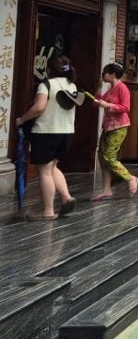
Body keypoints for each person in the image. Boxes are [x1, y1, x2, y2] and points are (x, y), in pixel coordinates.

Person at [15, 54, 81, 220]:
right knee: (52, 167)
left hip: (46, 132)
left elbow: (39, 108)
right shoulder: (71, 85)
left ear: (49, 69)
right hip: (65, 132)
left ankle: (48, 211)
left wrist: (21, 119)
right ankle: (66, 197)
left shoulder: (46, 85)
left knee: (44, 172)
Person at [92, 62, 138, 201]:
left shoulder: (122, 88)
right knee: (102, 158)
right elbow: (96, 102)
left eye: (104, 73)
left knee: (109, 157)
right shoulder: (110, 89)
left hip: (118, 127)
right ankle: (107, 189)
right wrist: (99, 88)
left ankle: (130, 178)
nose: (102, 76)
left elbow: (126, 107)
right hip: (107, 126)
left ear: (112, 74)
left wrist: (108, 105)